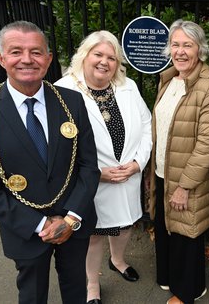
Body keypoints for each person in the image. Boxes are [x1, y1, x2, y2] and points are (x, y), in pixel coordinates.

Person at [0, 21, 100, 304]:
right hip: (24, 229)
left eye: (36, 52)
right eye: (16, 51)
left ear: (48, 60)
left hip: (74, 224)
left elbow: (88, 165)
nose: (27, 59)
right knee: (32, 294)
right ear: (1, 58)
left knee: (76, 287)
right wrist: (39, 224)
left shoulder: (72, 102)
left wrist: (70, 218)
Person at [54, 30, 152, 304]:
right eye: (98, 54)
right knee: (94, 235)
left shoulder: (127, 85)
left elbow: (146, 125)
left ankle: (118, 261)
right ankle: (92, 284)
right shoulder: (63, 90)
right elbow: (58, 149)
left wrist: (137, 163)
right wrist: (95, 173)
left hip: (128, 175)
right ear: (84, 55)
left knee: (124, 226)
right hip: (92, 182)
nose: (104, 62)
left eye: (111, 57)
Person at [147, 19, 209, 304]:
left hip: (187, 178)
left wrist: (185, 186)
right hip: (164, 171)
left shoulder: (208, 86)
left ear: (199, 49)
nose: (180, 51)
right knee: (167, 228)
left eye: (187, 45)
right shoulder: (168, 80)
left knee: (186, 234)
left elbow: (207, 144)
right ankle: (168, 278)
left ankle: (188, 291)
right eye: (175, 44)